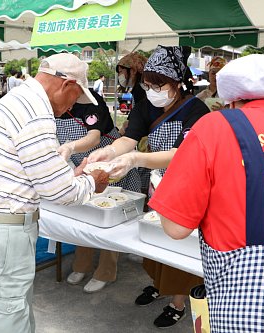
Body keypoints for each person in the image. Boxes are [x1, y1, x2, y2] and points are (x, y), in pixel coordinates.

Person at [150, 54, 264, 333]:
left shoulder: (215, 127)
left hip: (257, 305)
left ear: (231, 100)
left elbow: (176, 227)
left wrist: (160, 189)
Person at [0, 53, 109, 333]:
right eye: (74, 99)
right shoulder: (36, 113)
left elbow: (34, 174)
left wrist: (72, 176)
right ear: (66, 85)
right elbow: (62, 193)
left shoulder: (16, 100)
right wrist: (93, 180)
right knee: (8, 317)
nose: (69, 110)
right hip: (4, 236)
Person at [89, 45, 210, 329]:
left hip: (187, 186)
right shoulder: (147, 105)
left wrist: (137, 158)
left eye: (159, 85)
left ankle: (177, 302)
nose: (153, 90)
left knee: (177, 245)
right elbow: (129, 138)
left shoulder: (197, 110)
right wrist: (109, 152)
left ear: (178, 83)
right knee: (154, 240)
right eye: (148, 84)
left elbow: (184, 153)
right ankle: (158, 284)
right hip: (157, 183)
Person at [56, 88, 141, 293]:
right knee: (86, 215)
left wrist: (70, 147)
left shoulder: (92, 101)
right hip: (82, 167)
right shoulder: (54, 105)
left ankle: (106, 271)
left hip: (110, 164)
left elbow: (94, 138)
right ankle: (81, 266)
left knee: (109, 219)